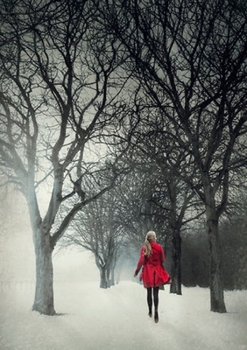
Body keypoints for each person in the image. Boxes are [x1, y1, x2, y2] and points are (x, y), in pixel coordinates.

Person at [134, 231, 171, 323]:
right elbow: (162, 259)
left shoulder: (144, 248)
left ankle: (150, 310)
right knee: (156, 293)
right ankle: (156, 311)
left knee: (149, 292)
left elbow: (141, 261)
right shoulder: (159, 247)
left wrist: (137, 271)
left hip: (147, 272)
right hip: (157, 271)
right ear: (154, 238)